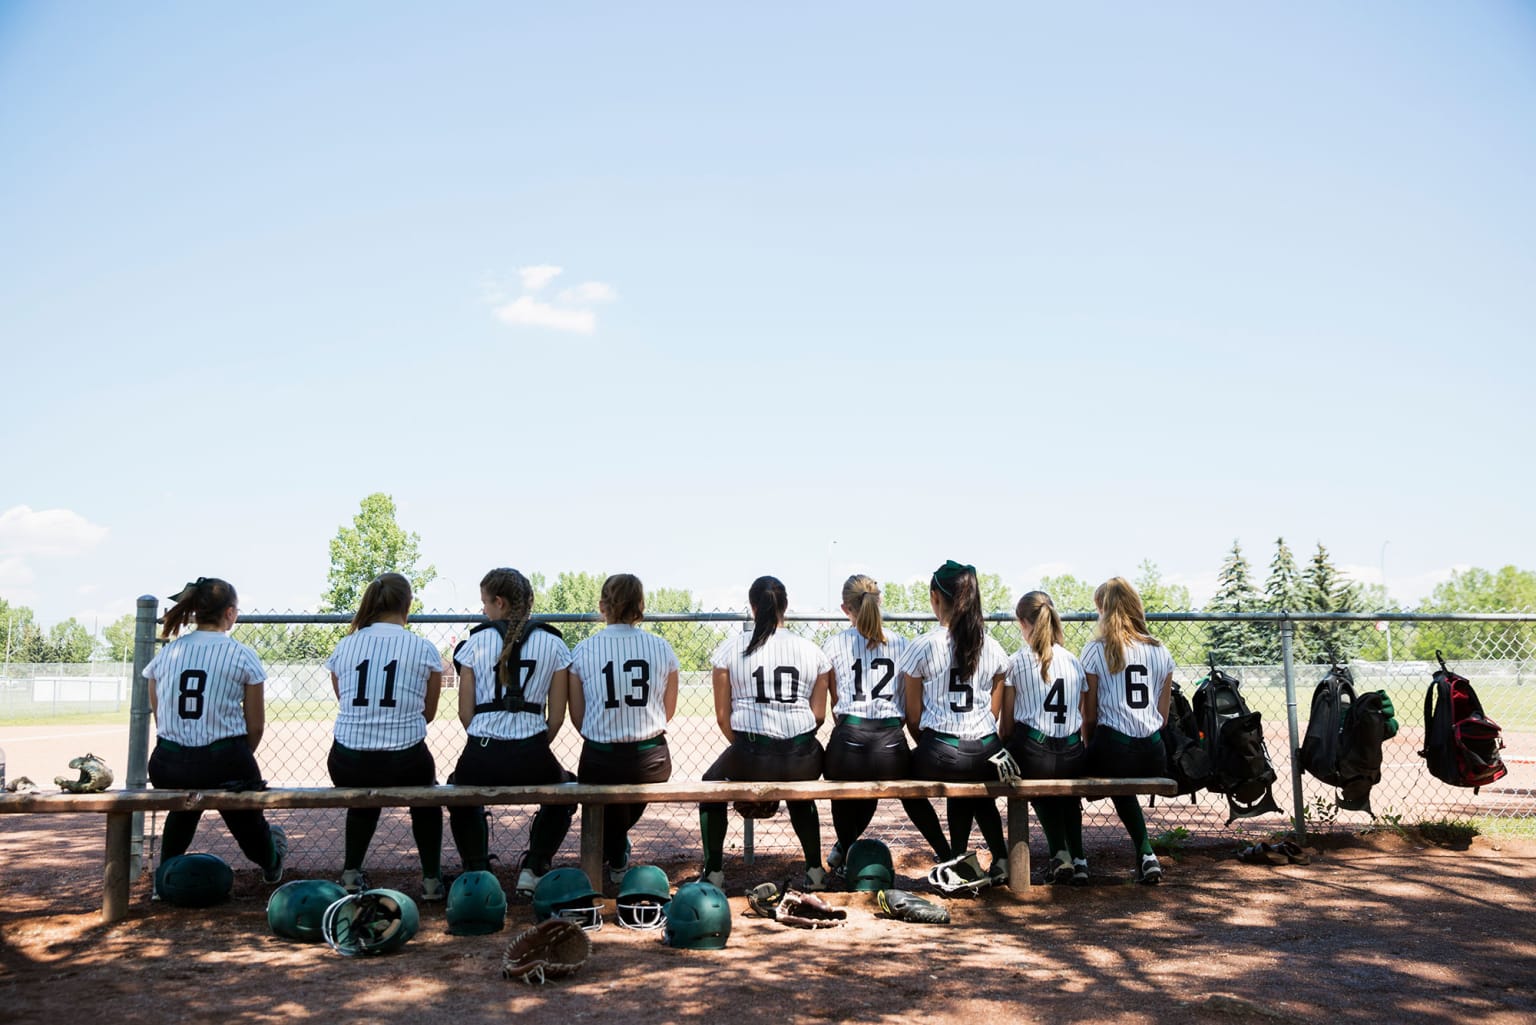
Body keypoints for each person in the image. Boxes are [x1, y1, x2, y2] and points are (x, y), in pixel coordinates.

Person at [142, 577, 287, 884]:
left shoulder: (167, 653)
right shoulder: (241, 654)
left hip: (167, 764)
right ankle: (270, 861)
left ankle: (164, 877)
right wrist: (234, 759)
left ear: (194, 611)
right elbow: (256, 725)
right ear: (230, 613)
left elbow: (160, 717)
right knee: (246, 816)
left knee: (184, 805)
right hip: (224, 761)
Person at [447, 567, 575, 895]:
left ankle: (478, 869)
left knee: (456, 789)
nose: (483, 611)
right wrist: (528, 741)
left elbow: (466, 714)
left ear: (500, 603)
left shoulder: (475, 642)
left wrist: (489, 738)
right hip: (533, 754)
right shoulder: (553, 642)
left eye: (485, 604)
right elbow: (557, 717)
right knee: (568, 789)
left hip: (481, 753)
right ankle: (534, 867)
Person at [699, 576, 832, 891]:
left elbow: (722, 718)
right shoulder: (811, 650)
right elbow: (819, 715)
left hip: (751, 753)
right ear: (785, 606)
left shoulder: (730, 648)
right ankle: (815, 871)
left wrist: (752, 749)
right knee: (799, 789)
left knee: (709, 787)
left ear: (753, 607)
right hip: (802, 755)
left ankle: (714, 873)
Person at [323, 572, 445, 899]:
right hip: (405, 761)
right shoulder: (423, 648)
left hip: (347, 761)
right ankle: (432, 879)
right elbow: (429, 714)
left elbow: (344, 700)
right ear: (408, 605)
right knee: (426, 799)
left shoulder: (345, 646)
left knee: (365, 792)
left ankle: (350, 872)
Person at [820, 575, 952, 871]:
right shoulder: (902, 643)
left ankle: (848, 857)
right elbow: (907, 708)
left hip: (849, 740)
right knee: (908, 790)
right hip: (891, 742)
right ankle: (947, 854)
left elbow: (834, 705)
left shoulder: (834, 644)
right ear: (880, 601)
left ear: (845, 608)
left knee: (843, 789)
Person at [898, 559, 1011, 884]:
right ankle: (1000, 857)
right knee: (971, 778)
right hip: (988, 750)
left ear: (936, 597)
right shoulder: (993, 645)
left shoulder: (923, 645)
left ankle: (952, 857)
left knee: (908, 781)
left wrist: (937, 747)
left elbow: (914, 718)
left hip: (943, 749)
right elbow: (993, 713)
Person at [567, 573, 680, 884]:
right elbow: (667, 711)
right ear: (640, 606)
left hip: (599, 759)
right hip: (651, 759)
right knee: (621, 800)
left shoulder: (583, 650)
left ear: (602, 606)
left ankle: (613, 855)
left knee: (608, 794)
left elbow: (577, 716)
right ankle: (616, 857)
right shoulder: (661, 647)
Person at [1080, 576, 1175, 884]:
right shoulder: (1161, 651)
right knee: (1118, 775)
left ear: (1105, 611)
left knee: (1068, 766)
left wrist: (1089, 746)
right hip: (1153, 751)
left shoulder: (1096, 649)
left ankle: (1073, 857)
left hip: (1114, 749)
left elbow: (1090, 717)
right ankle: (1145, 853)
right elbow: (1162, 718)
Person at [1000, 590, 1089, 885]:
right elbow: (1079, 711)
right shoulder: (1073, 661)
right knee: (1065, 794)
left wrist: (1006, 747)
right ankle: (1079, 859)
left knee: (1030, 770)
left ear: (1025, 623)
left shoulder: (1017, 661)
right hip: (1073, 754)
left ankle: (1060, 852)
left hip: (1035, 753)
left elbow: (1008, 722)